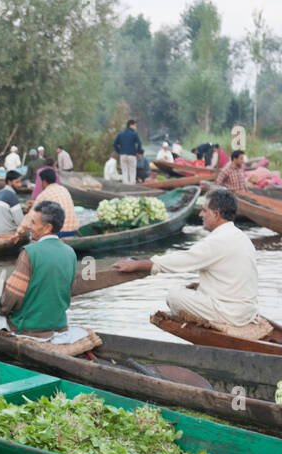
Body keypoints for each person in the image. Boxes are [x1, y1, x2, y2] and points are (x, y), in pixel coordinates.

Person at [112, 189, 258, 329]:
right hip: (247, 311)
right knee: (192, 289)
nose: (201, 214)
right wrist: (203, 286)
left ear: (216, 214)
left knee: (174, 295)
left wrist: (141, 264)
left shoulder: (218, 240)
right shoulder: (242, 237)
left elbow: (184, 260)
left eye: (204, 210)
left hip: (230, 313)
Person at [0, 201, 77, 336]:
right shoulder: (70, 252)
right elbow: (69, 291)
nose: (29, 226)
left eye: (33, 223)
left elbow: (12, 297)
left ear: (47, 228)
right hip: (59, 324)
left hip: (29, 327)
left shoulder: (29, 252)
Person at [19, 167, 78, 238]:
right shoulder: (64, 189)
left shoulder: (44, 194)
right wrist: (34, 203)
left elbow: (30, 216)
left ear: (43, 181)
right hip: (73, 231)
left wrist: (20, 230)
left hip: (59, 233)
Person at [0, 169, 24, 235]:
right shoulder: (12, 195)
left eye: (20, 182)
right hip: (8, 233)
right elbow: (20, 221)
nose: (20, 185)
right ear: (9, 182)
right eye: (17, 182)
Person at [113, 119, 143, 184]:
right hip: (132, 155)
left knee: (124, 171)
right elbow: (139, 144)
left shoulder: (120, 134)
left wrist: (119, 151)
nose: (136, 127)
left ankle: (125, 185)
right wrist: (138, 152)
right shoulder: (134, 134)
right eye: (135, 126)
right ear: (130, 125)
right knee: (132, 171)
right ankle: (132, 185)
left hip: (123, 155)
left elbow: (114, 144)